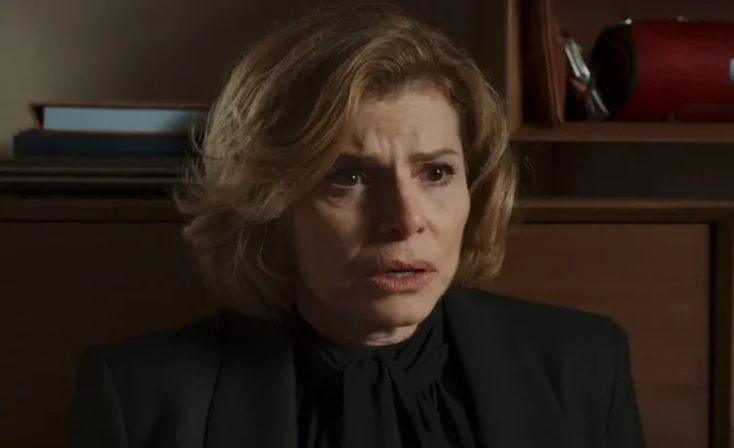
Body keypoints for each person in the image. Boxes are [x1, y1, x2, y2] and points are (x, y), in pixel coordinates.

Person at [65, 4, 645, 448]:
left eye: (436, 172)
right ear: (270, 201)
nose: (406, 220)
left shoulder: (584, 366)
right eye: (349, 177)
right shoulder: (141, 398)